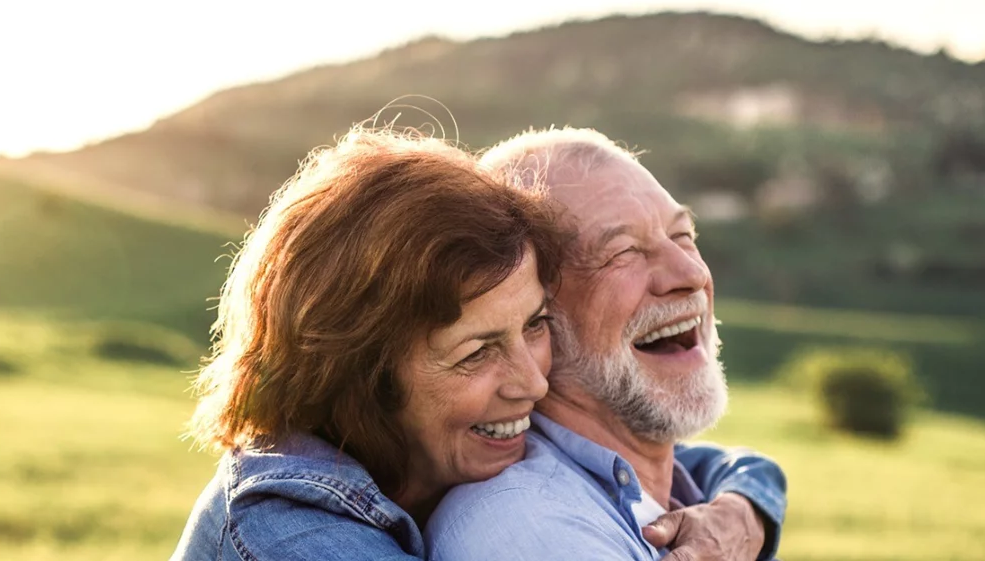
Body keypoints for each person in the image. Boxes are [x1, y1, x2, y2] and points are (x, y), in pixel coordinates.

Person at [170, 127, 783, 561]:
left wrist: (746, 508)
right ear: (363, 380)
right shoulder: (290, 534)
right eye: (477, 352)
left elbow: (689, 463)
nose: (533, 383)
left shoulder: (445, 449)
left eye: (535, 324)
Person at [425, 128, 786, 561]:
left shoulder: (684, 494)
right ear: (530, 313)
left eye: (683, 236)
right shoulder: (533, 529)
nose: (689, 274)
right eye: (623, 252)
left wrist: (750, 505)